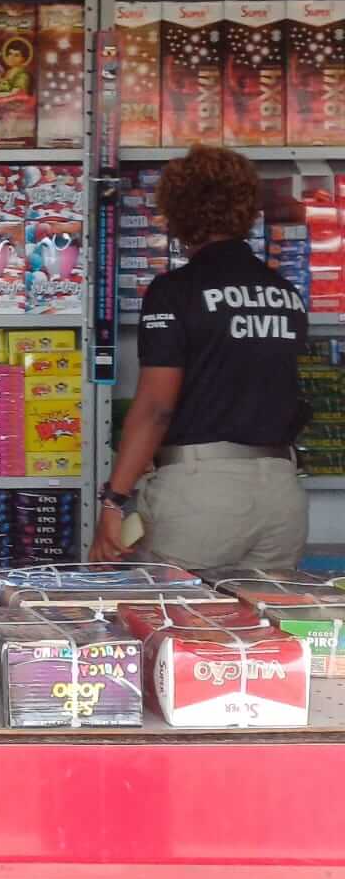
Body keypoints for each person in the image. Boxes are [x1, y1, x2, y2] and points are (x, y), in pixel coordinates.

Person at [92, 145, 309, 570]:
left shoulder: (175, 291)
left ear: (177, 212)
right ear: (247, 209)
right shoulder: (286, 294)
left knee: (178, 628)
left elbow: (156, 408)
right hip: (282, 493)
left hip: (203, 496)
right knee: (260, 634)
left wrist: (113, 501)